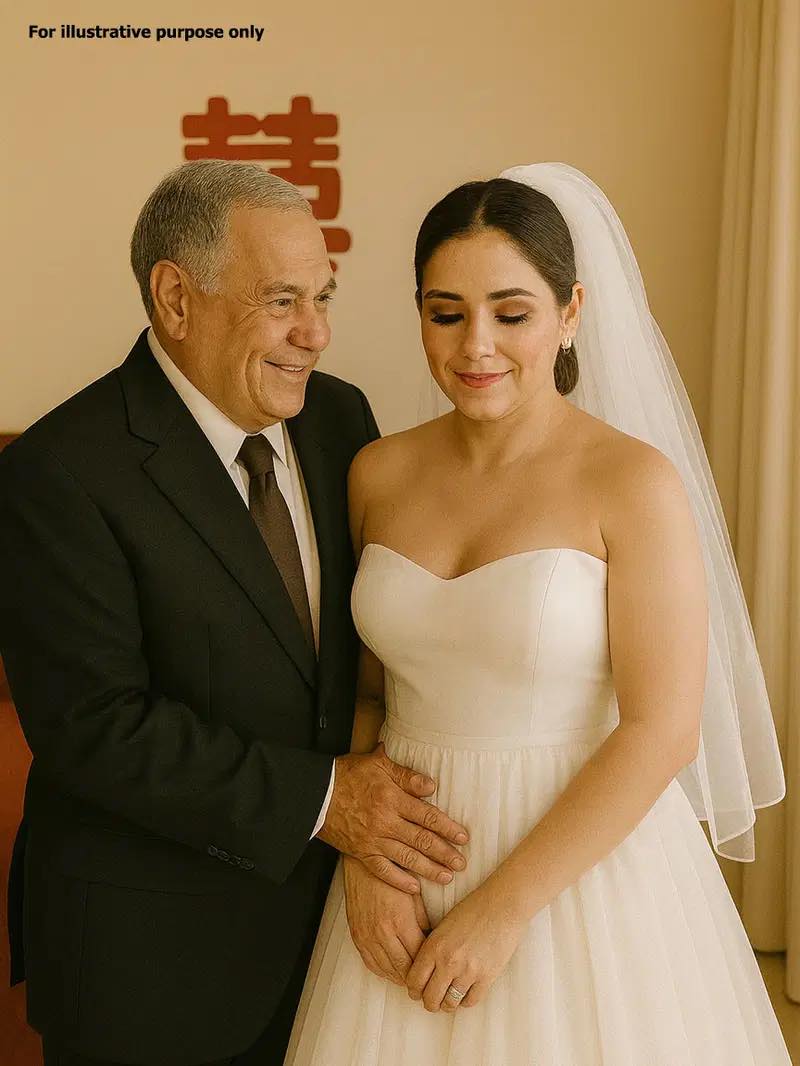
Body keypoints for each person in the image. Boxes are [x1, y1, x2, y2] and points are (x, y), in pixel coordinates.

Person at [283, 165, 790, 1064]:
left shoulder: (632, 481)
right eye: (446, 313)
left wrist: (503, 909)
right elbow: (366, 696)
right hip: (410, 862)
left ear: (571, 312)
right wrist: (369, 858)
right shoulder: (378, 473)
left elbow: (663, 729)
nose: (476, 345)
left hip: (578, 874)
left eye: (511, 314)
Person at [0, 160, 472, 1066]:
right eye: (282, 300)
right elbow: (95, 729)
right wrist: (328, 802)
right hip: (149, 966)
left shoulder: (340, 420)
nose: (315, 334)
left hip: (336, 947)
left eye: (322, 298)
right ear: (176, 299)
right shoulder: (57, 473)